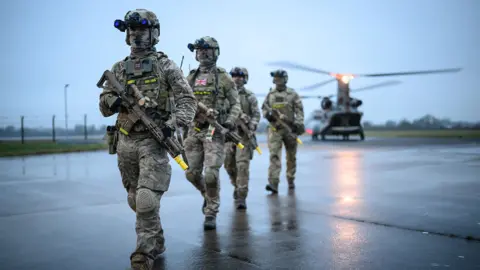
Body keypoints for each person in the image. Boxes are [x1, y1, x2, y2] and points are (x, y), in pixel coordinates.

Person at [98, 9, 196, 270]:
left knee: (146, 200)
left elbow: (188, 101)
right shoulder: (119, 68)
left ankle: (144, 252)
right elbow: (104, 104)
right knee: (134, 199)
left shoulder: (165, 65)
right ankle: (157, 238)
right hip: (126, 141)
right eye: (131, 30)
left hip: (154, 141)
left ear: (154, 33)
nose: (135, 34)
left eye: (141, 29)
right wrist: (116, 100)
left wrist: (173, 125)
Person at [184, 36, 241, 230]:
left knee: (210, 174)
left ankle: (211, 211)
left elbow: (236, 104)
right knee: (191, 174)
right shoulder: (190, 77)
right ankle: (208, 196)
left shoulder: (223, 77)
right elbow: (182, 101)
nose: (202, 53)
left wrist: (229, 122)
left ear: (215, 52)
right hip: (194, 131)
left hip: (214, 132)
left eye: (206, 50)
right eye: (199, 50)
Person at [261, 69, 305, 193]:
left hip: (290, 129)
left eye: (279, 77)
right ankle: (273, 183)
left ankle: (291, 179)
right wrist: (268, 115)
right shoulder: (270, 94)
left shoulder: (292, 94)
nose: (277, 80)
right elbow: (264, 108)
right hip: (275, 130)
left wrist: (298, 124)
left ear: (285, 79)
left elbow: (299, 110)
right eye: (275, 78)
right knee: (274, 155)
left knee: (291, 156)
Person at [224, 67, 260, 209]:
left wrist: (251, 124)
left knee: (242, 166)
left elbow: (257, 114)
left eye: (240, 76)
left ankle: (241, 196)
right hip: (228, 135)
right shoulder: (225, 95)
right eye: (234, 75)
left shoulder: (249, 96)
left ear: (245, 78)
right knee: (229, 165)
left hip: (243, 136)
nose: (237, 78)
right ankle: (236, 185)